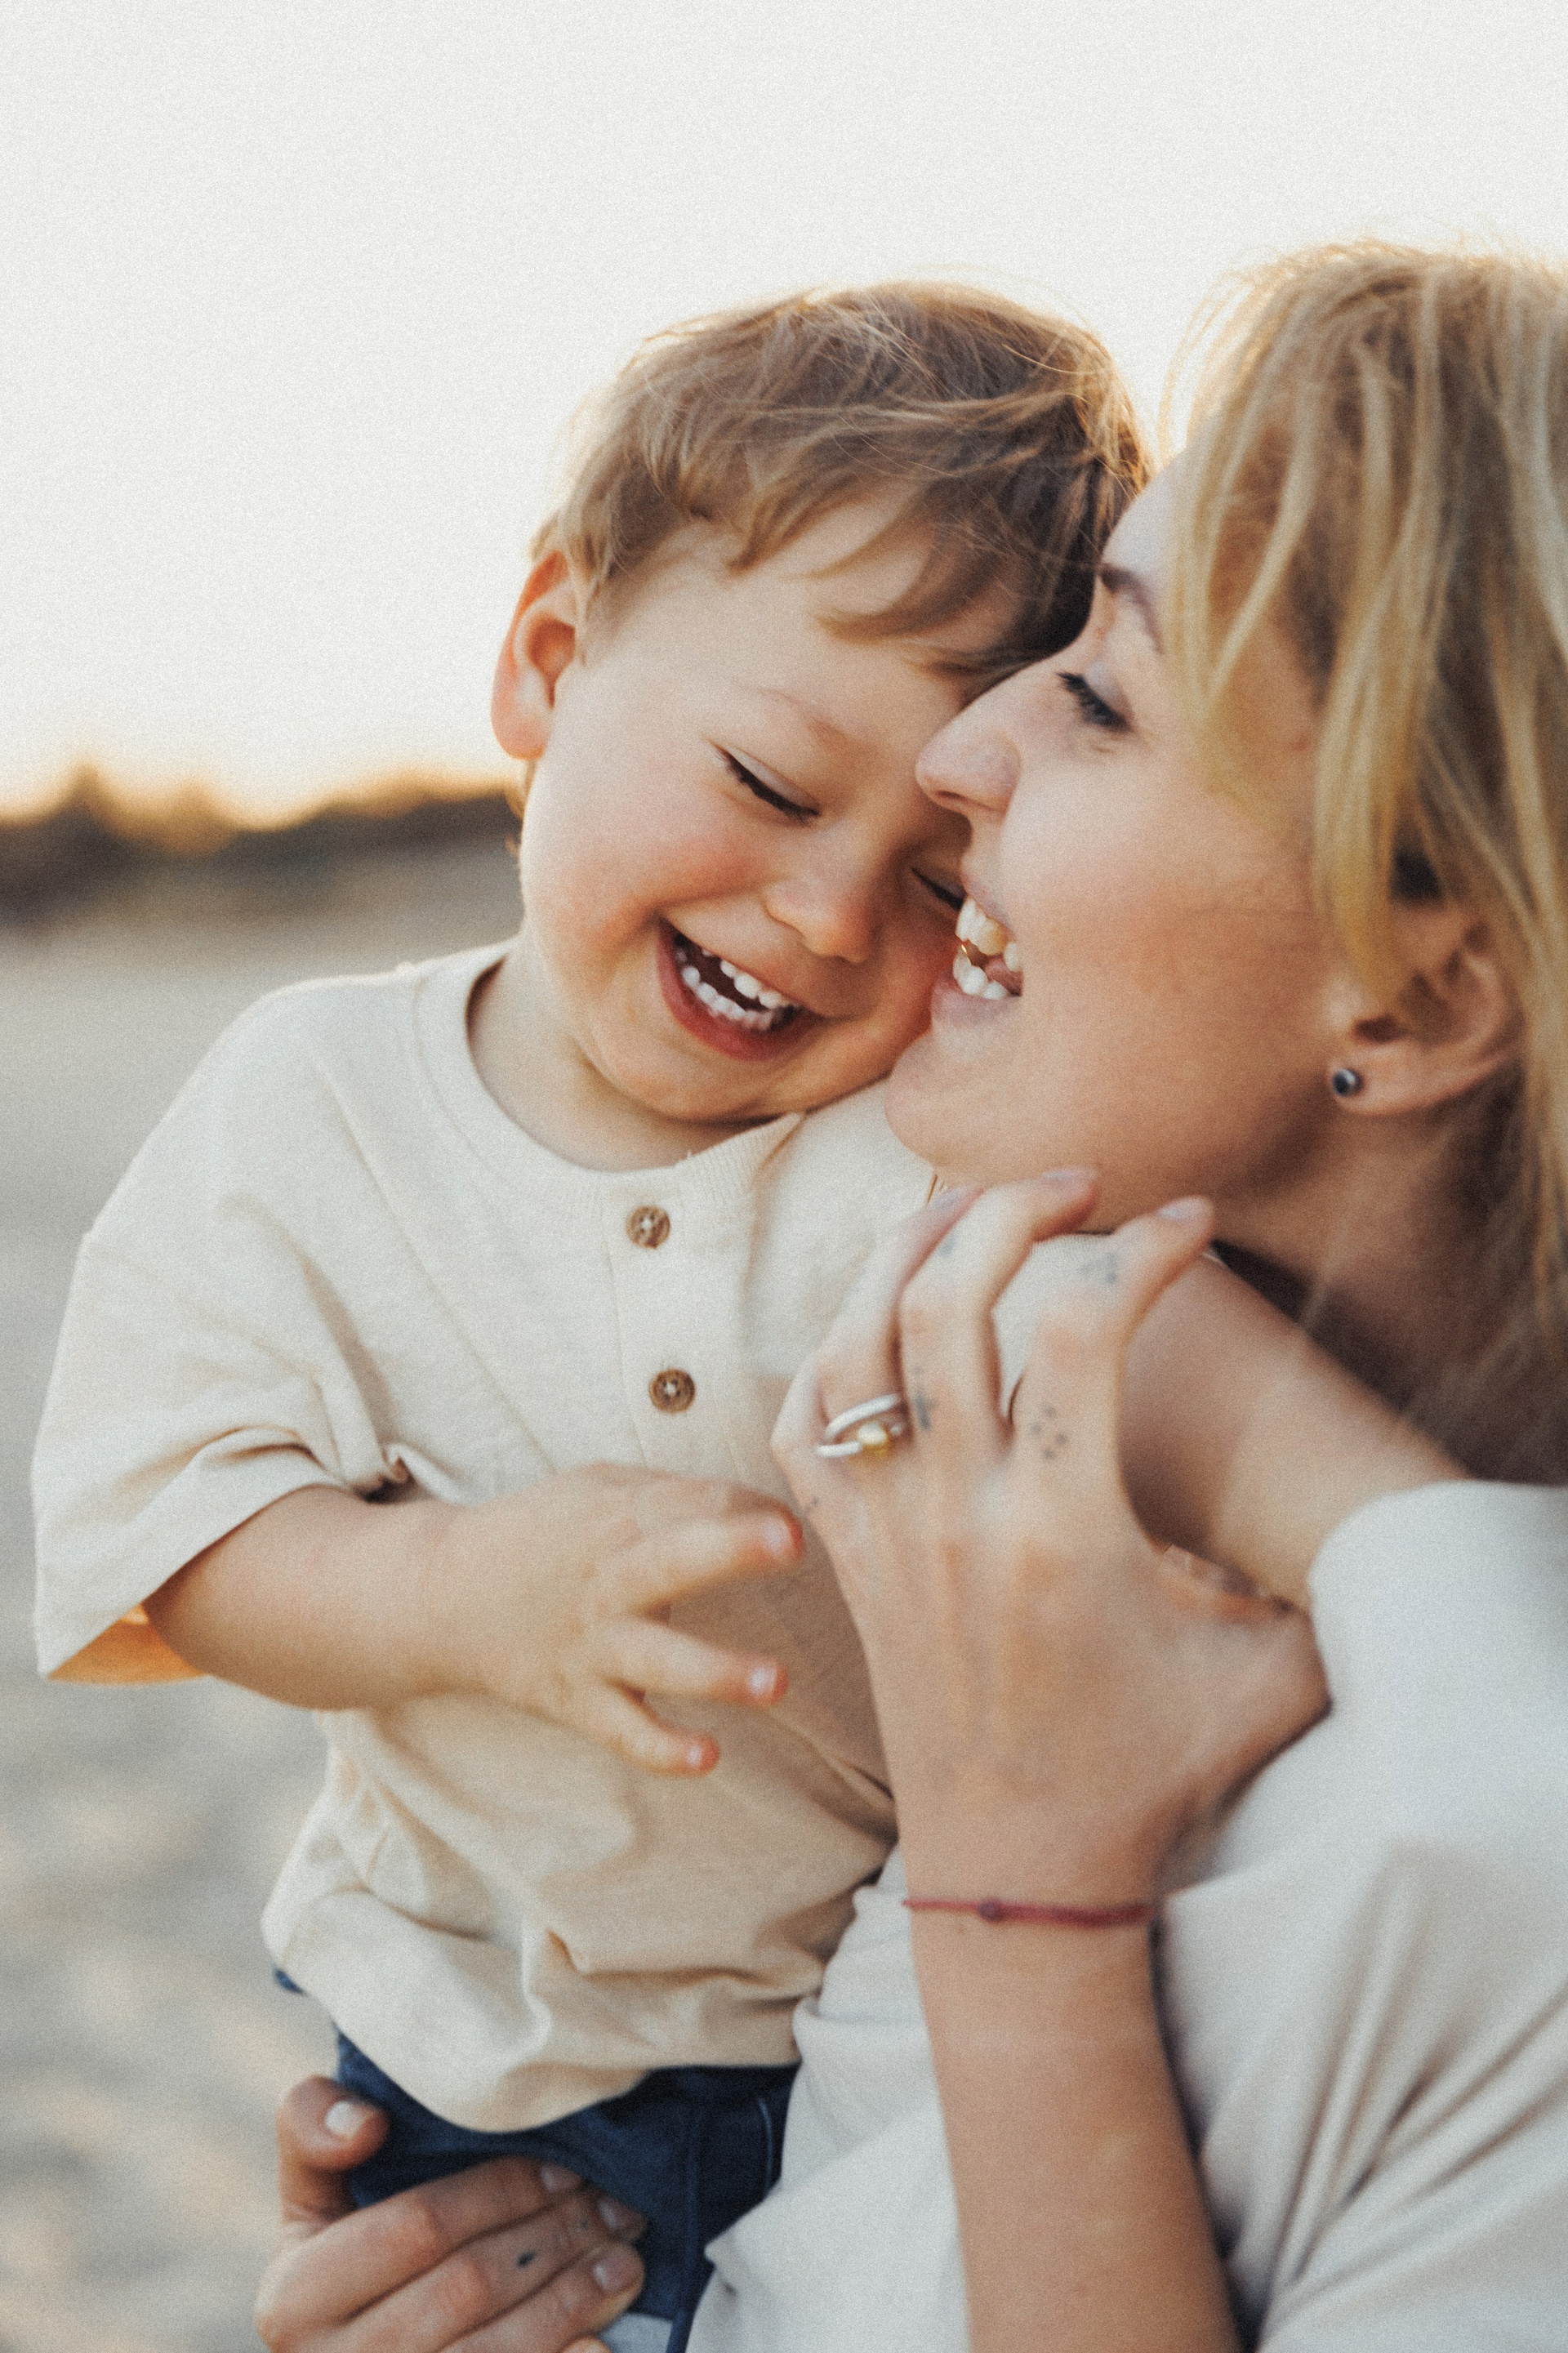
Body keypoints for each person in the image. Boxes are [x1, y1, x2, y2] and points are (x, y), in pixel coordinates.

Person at [257, 241, 1568, 2351]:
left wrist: (1021, 1893)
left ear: (1416, 993)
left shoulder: (1487, 1814)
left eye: (1103, 696)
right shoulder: (1022, 1489)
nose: (960, 753)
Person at [31, 286, 1144, 2353]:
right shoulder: (316, 1101)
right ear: (547, 658)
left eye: (944, 881)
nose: (830, 911)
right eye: (771, 780)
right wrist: (463, 1593)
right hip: (487, 2070)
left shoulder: (935, 1147)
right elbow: (167, 1533)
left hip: (892, 2033)